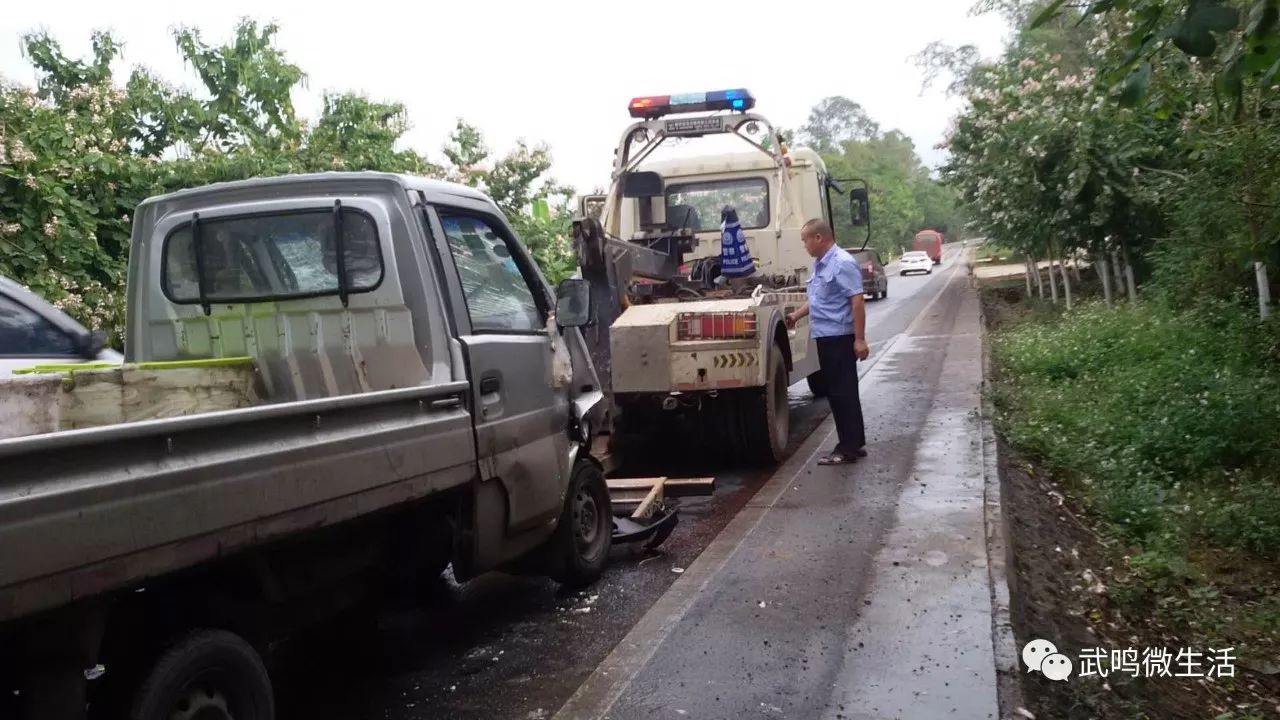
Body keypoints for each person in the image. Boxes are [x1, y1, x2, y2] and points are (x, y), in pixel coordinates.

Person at [785, 219, 869, 465]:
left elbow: (857, 301)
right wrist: (796, 316)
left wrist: (860, 339)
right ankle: (855, 442)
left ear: (819, 238)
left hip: (839, 338)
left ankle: (847, 448)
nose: (805, 245)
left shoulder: (842, 263)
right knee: (840, 393)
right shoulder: (821, 265)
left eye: (805, 240)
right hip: (826, 336)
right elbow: (818, 299)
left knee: (842, 393)